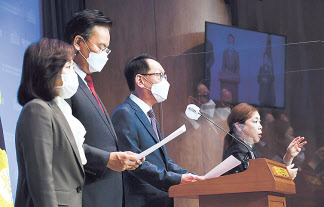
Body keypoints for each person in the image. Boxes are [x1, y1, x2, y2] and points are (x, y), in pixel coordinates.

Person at [64, 10, 142, 207]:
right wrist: (107, 159)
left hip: (108, 194)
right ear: (78, 43)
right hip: (88, 194)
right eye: (100, 47)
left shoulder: (87, 83)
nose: (104, 55)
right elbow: (65, 143)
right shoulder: (64, 83)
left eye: (107, 50)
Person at [111, 54, 204, 207]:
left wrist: (190, 176)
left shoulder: (149, 115)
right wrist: (176, 179)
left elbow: (162, 161)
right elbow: (135, 164)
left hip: (160, 199)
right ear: (140, 80)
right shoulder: (124, 113)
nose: (165, 82)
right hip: (142, 201)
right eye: (160, 75)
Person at [15, 38, 84, 206]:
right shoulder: (37, 110)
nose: (73, 72)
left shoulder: (57, 108)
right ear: (48, 71)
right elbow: (41, 180)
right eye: (68, 67)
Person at [222, 103, 307, 179]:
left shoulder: (253, 152)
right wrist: (285, 174)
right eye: (255, 122)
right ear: (239, 127)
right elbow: (252, 180)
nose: (260, 126)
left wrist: (288, 156)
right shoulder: (237, 152)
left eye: (260, 122)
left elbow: (270, 170)